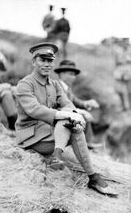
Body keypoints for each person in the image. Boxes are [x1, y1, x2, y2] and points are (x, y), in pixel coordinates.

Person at [15, 42, 116, 196]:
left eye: (50, 61)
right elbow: (34, 110)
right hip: (32, 137)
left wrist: (72, 114)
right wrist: (68, 114)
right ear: (33, 61)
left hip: (52, 133)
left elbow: (67, 104)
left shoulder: (55, 85)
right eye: (43, 60)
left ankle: (77, 168)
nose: (47, 64)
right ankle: (89, 174)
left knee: (73, 126)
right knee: (67, 120)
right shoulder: (25, 84)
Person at [54, 60, 102, 149]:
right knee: (84, 116)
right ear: (62, 74)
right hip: (58, 118)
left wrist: (86, 103)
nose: (74, 77)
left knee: (85, 115)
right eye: (71, 74)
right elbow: (59, 107)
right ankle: (85, 144)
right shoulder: (57, 86)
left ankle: (87, 143)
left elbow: (75, 101)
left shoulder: (67, 88)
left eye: (74, 74)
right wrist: (80, 111)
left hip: (67, 114)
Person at [113, 38, 131, 111]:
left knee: (130, 91)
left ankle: (129, 107)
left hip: (129, 70)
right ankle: (123, 106)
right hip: (119, 70)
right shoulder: (116, 49)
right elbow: (114, 62)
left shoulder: (129, 49)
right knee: (119, 90)